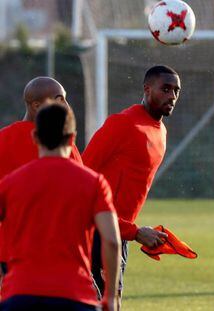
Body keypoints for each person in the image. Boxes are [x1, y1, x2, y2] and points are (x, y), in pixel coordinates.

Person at [0, 104, 121, 311]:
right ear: (72, 138)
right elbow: (111, 240)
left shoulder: (10, 183)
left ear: (35, 137)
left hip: (19, 293)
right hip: (73, 294)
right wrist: (110, 296)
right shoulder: (94, 183)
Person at [82, 65, 181, 302]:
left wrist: (138, 233)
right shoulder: (122, 124)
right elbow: (80, 179)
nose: (172, 96)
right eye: (165, 89)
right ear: (147, 89)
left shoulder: (161, 131)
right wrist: (135, 232)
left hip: (118, 234)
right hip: (93, 234)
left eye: (176, 91)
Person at [0, 76, 83, 282]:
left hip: (9, 253)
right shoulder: (64, 147)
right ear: (36, 105)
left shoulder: (2, 139)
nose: (66, 105)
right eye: (59, 99)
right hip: (55, 254)